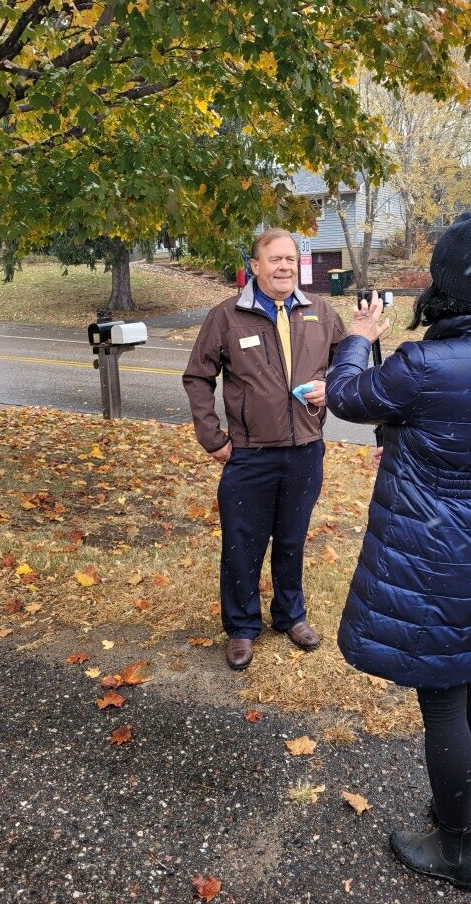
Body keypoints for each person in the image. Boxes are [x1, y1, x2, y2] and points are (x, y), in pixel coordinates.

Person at [325, 211, 471, 892]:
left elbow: (345, 396)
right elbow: (445, 427)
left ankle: (455, 852)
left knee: (443, 701)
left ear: (443, 282)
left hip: (433, 548)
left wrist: (360, 338)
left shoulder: (423, 363)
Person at [183, 229, 346, 671]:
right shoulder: (226, 317)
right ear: (254, 266)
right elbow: (198, 377)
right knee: (242, 542)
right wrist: (213, 437)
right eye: (274, 259)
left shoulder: (321, 312)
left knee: (292, 539)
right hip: (249, 454)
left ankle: (290, 616)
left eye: (290, 259)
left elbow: (346, 366)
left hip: (305, 449)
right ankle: (241, 627)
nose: (284, 267)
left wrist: (329, 388)